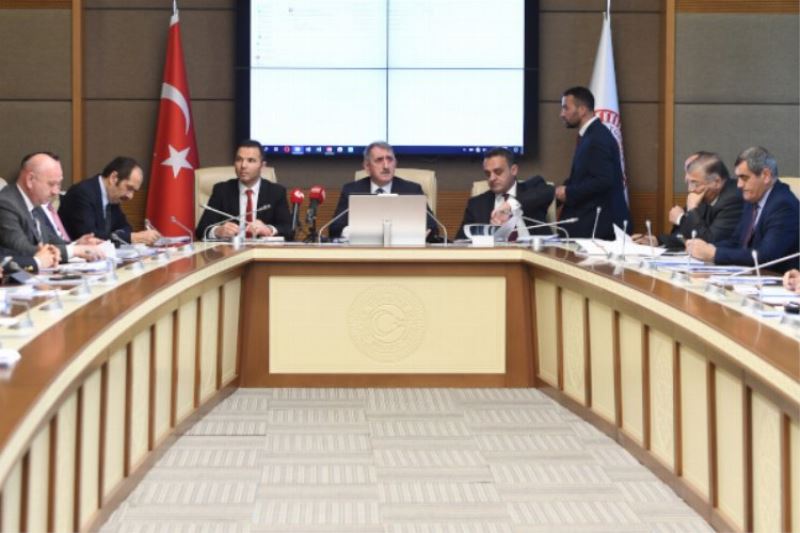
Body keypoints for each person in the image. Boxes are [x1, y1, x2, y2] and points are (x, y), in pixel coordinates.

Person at [687, 146, 799, 274]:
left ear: (766, 175)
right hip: (750, 275)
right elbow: (736, 242)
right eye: (738, 178)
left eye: (744, 178)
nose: (739, 185)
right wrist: (706, 248)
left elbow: (764, 256)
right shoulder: (753, 199)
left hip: (779, 279)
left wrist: (715, 254)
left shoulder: (783, 205)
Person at [0, 152, 105, 264]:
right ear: (30, 180)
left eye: (58, 184)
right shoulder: (6, 203)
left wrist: (77, 245)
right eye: (51, 184)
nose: (56, 191)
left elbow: (50, 241)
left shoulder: (35, 203)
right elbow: (23, 251)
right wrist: (75, 250)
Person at [555, 86, 630, 239]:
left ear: (582, 110)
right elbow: (585, 176)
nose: (562, 114)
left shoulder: (597, 138)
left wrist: (568, 192)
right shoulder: (591, 135)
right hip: (592, 223)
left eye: (566, 108)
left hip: (598, 227)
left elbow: (603, 180)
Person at [328, 141, 438, 240]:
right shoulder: (352, 190)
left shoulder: (412, 190)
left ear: (395, 164)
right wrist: (357, 232)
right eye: (379, 160)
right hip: (364, 251)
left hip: (403, 251)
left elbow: (433, 227)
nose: (386, 166)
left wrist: (412, 233)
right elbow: (334, 229)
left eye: (390, 160)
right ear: (367, 167)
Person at [633, 152, 743, 249]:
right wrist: (658, 241)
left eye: (695, 183)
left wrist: (685, 216)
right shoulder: (703, 196)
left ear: (716, 182)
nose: (690, 189)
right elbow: (685, 234)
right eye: (688, 183)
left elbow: (708, 242)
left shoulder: (734, 199)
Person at [195, 140, 292, 240]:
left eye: (251, 160)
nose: (243, 165)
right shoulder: (222, 190)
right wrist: (218, 231)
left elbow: (288, 230)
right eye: (239, 160)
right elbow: (201, 230)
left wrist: (269, 230)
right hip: (231, 249)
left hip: (262, 249)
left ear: (262, 166)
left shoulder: (276, 192)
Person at [59, 156, 160, 245]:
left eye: (134, 191)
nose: (131, 196)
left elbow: (126, 227)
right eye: (129, 188)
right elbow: (90, 237)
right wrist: (131, 238)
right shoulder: (82, 193)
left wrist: (125, 236)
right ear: (113, 178)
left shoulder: (112, 197)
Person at [457, 147, 554, 239]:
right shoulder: (476, 204)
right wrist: (490, 234)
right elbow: (460, 242)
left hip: (534, 250)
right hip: (496, 251)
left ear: (513, 170)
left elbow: (548, 191)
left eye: (498, 172)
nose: (492, 178)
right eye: (488, 173)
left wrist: (511, 204)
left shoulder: (533, 188)